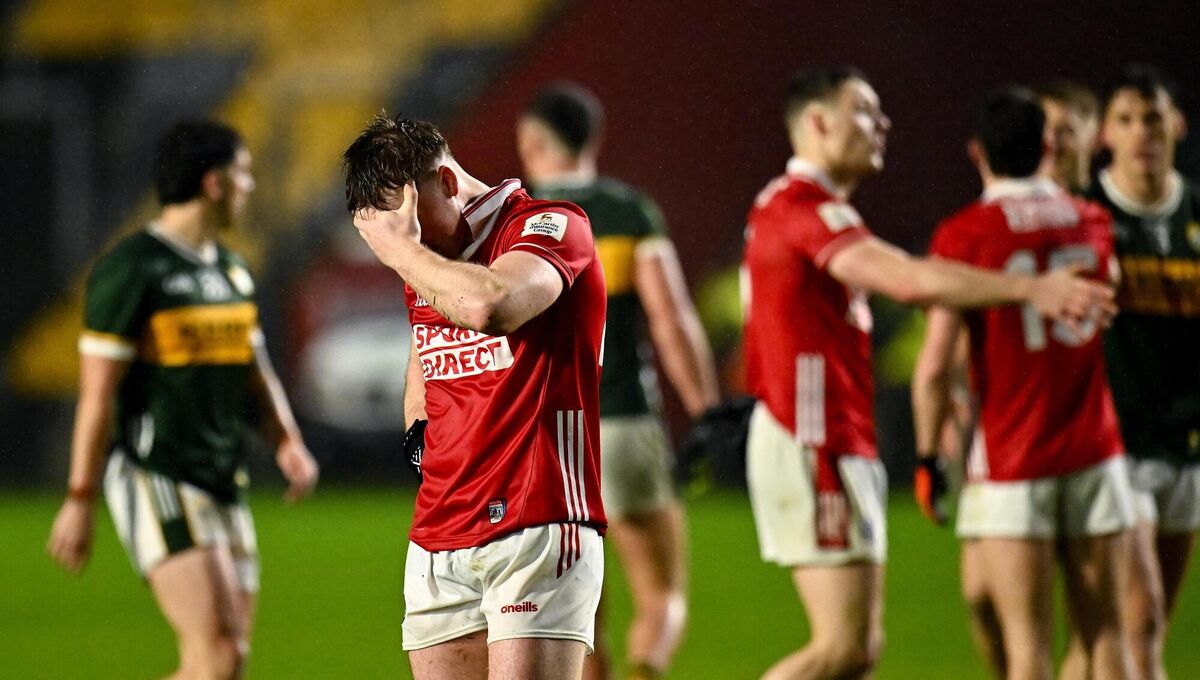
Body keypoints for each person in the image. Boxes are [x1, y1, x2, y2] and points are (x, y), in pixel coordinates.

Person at [741, 66, 1116, 680]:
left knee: (857, 652)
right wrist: (1030, 289)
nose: (882, 124)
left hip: (831, 433)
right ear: (818, 123)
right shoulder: (801, 207)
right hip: (812, 435)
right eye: (864, 111)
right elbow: (908, 281)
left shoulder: (806, 207)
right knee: (843, 647)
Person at [46, 120, 319, 680]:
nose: (250, 186)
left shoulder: (232, 270)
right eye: (243, 173)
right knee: (217, 653)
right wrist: (79, 496)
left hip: (222, 476)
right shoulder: (133, 268)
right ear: (213, 183)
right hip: (160, 473)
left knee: (223, 661)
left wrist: (286, 441)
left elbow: (255, 371)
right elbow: (97, 394)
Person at [342, 114, 608, 680]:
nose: (409, 243)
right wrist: (419, 434)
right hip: (439, 531)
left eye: (412, 225)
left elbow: (492, 307)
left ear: (444, 181)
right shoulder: (428, 256)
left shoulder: (551, 226)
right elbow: (425, 348)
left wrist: (401, 252)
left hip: (537, 521)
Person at [912, 88, 1137, 680]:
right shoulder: (1092, 221)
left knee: (1027, 649)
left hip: (1014, 456)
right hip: (1094, 449)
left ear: (976, 152)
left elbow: (934, 365)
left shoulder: (964, 234)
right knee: (1107, 634)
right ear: (1047, 145)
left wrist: (927, 457)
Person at [516, 81, 720, 680]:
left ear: (532, 142)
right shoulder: (630, 214)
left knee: (580, 616)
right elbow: (672, 321)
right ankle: (648, 665)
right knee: (662, 597)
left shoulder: (514, 219)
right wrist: (707, 411)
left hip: (545, 439)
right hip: (625, 421)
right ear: (594, 138)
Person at [1084, 64, 1200, 680]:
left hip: (1184, 445)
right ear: (1104, 133)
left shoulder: (1195, 214)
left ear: (1177, 125)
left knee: (1132, 629)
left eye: (1152, 119)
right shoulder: (1088, 214)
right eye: (1125, 120)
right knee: (1140, 615)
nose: (1140, 134)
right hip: (1112, 445)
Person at [1036, 80, 1102, 195]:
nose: (1048, 140)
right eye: (1041, 127)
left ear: (1096, 139)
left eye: (1064, 130)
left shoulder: (1102, 204)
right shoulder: (1012, 203)